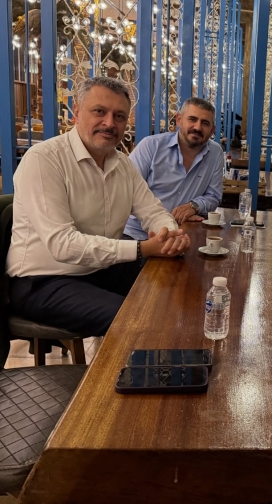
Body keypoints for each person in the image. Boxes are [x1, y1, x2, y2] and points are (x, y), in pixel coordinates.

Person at [7, 77, 190, 338]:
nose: (109, 123)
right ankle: (121, 366)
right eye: (99, 111)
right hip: (43, 280)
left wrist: (170, 235)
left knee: (176, 287)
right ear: (77, 112)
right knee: (136, 319)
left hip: (99, 269)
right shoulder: (44, 159)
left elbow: (154, 211)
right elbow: (62, 244)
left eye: (119, 116)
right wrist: (142, 248)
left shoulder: (123, 164)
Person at [123, 97, 224, 239]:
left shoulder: (215, 153)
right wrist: (167, 222)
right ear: (179, 120)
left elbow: (213, 196)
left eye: (205, 123)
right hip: (138, 235)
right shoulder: (151, 146)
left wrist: (194, 206)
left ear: (212, 130)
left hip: (181, 234)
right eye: (192, 119)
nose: (197, 127)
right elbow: (128, 193)